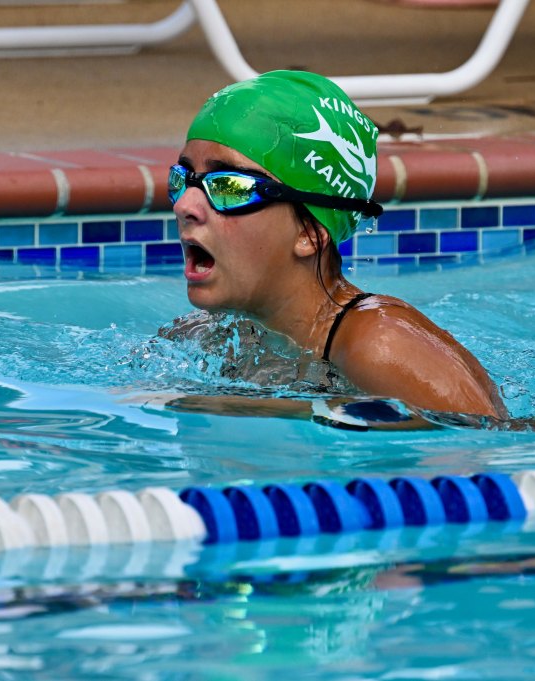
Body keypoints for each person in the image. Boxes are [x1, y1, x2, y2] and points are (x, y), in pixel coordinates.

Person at [164, 70, 508, 423]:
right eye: (183, 179)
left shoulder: (380, 343)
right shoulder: (207, 336)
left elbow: (489, 446)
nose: (185, 205)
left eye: (230, 186)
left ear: (310, 232)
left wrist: (255, 407)